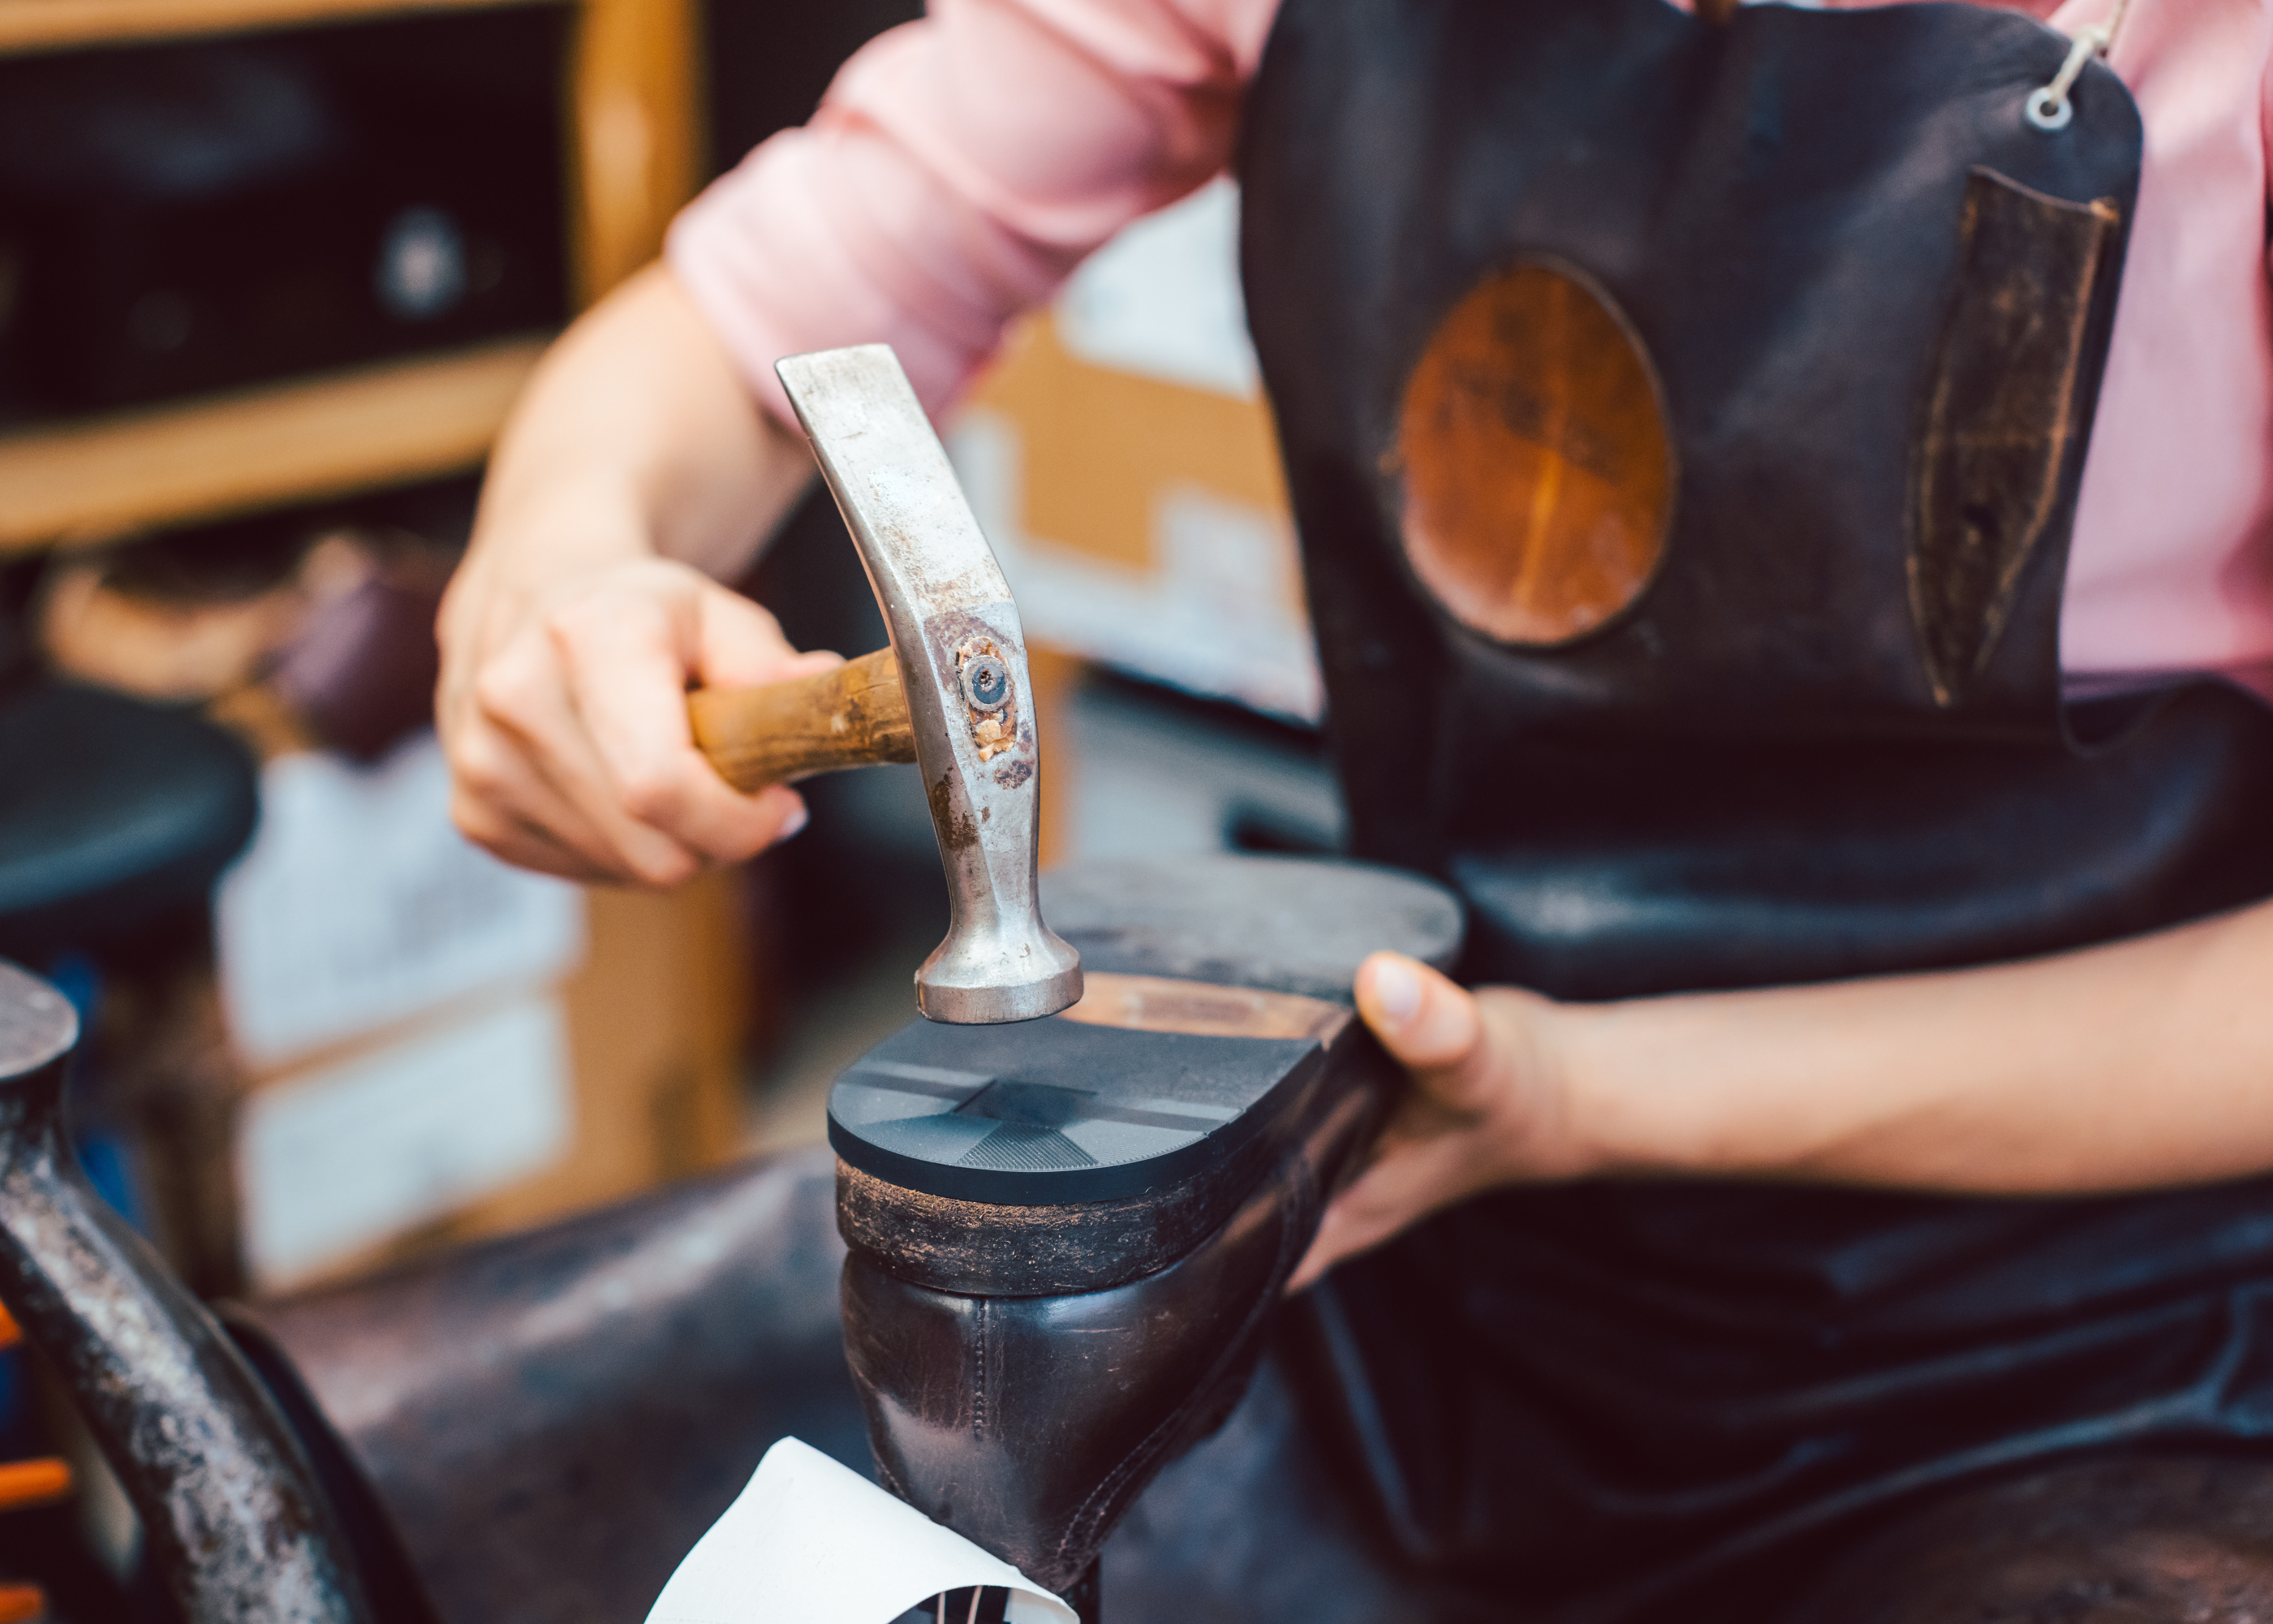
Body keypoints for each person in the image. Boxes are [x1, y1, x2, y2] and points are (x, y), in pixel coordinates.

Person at [436, 0, 2273, 1615]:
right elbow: (745, 331)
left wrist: (1590, 1092)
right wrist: (563, 565)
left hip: (2093, 1355)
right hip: (1411, 1225)